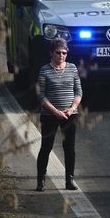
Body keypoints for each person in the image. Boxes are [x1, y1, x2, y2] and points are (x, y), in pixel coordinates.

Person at [35, 38, 82, 192]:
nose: (61, 55)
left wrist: (72, 108)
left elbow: (78, 91)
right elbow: (41, 96)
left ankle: (69, 179)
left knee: (69, 147)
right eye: (58, 52)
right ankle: (41, 179)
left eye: (64, 53)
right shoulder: (44, 70)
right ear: (51, 53)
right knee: (46, 146)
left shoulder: (72, 68)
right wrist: (55, 111)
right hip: (50, 115)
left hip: (70, 114)